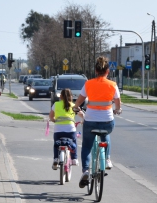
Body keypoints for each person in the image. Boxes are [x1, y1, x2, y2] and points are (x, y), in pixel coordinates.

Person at [73, 56, 122, 188]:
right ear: (108, 71)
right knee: (106, 136)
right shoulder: (113, 85)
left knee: (87, 146)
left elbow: (80, 100)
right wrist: (117, 109)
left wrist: (76, 107)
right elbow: (117, 102)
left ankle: (85, 171)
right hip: (107, 120)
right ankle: (106, 160)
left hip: (90, 121)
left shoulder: (88, 84)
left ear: (95, 70)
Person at [49, 88, 79, 169]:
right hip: (70, 130)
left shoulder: (56, 104)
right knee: (74, 141)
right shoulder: (73, 105)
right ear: (71, 96)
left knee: (56, 143)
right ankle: (74, 159)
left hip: (58, 130)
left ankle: (56, 158)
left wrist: (54, 120)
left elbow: (51, 117)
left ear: (61, 96)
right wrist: (83, 121)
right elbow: (82, 115)